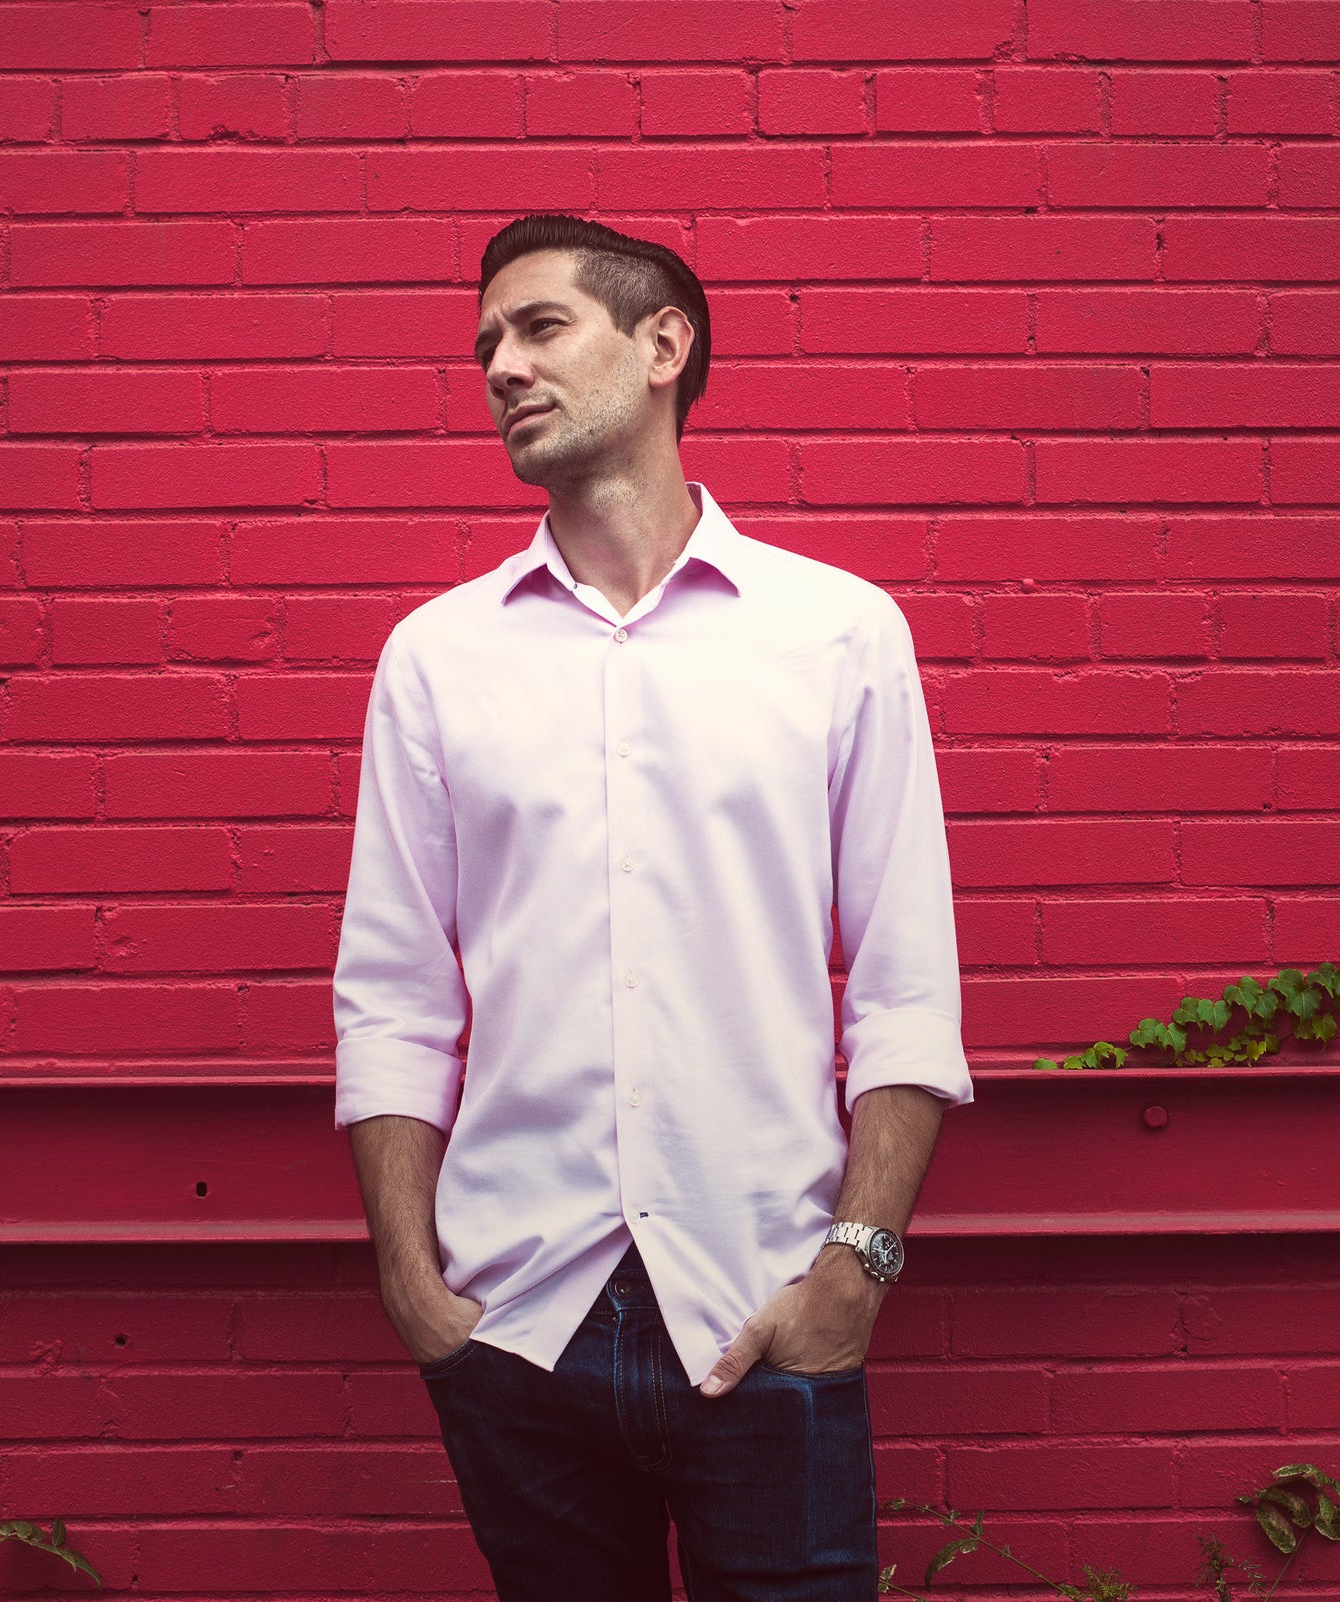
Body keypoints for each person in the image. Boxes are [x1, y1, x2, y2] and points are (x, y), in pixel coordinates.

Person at [329, 213, 974, 1600]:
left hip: (763, 1292)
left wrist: (853, 1270)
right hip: (518, 1319)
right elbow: (392, 989)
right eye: (487, 343)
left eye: (541, 327)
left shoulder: (836, 634)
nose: (502, 365)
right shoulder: (438, 658)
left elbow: (908, 985)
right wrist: (413, 1284)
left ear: (663, 345)